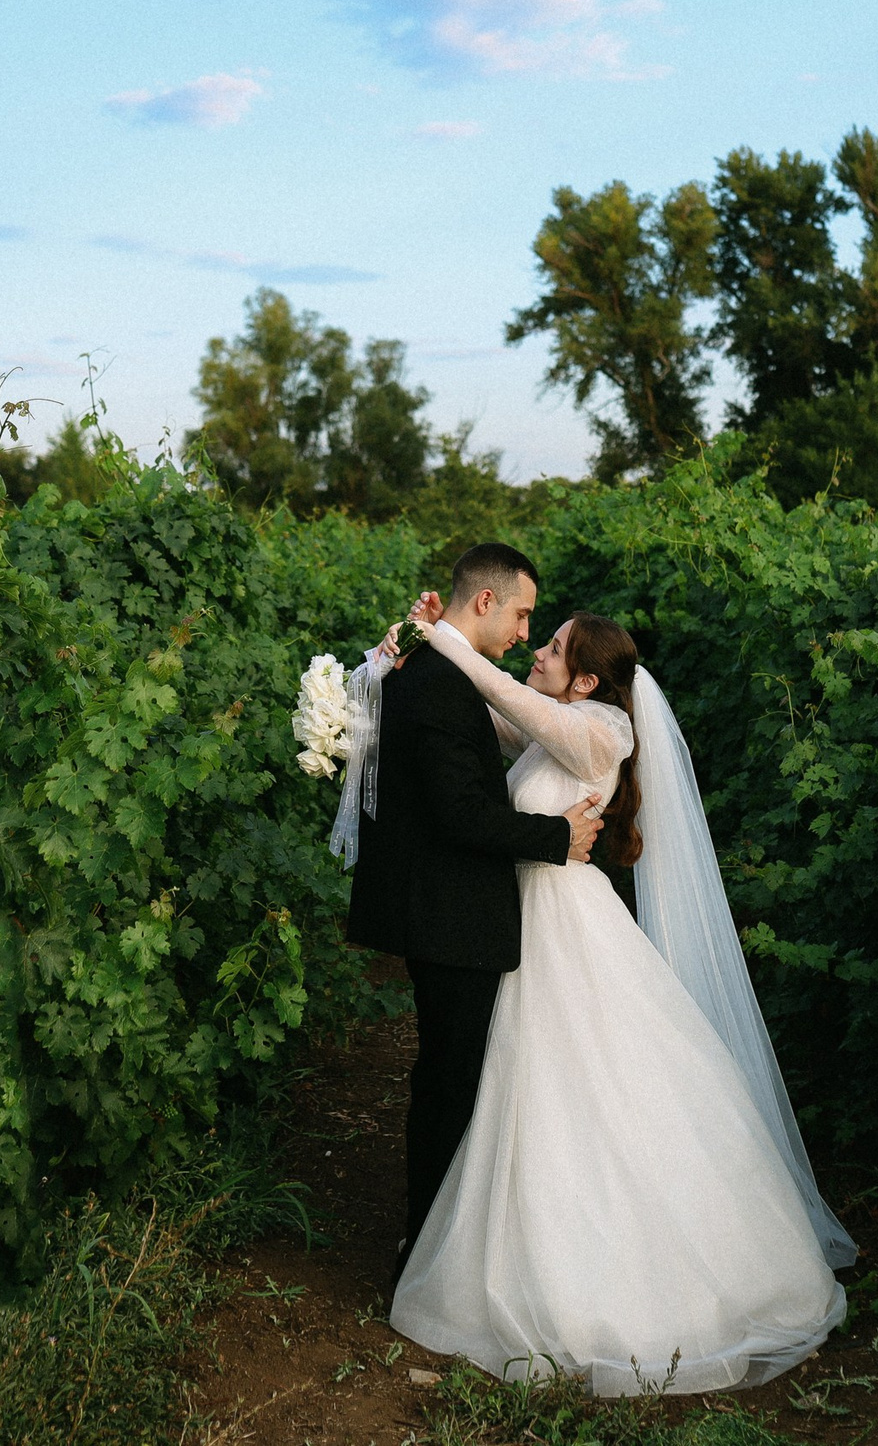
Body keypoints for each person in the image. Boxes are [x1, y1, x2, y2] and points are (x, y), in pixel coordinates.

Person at [349, 562, 852, 1394]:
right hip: (525, 919)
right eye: (534, 631)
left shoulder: (599, 733)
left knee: (590, 1083)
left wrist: (446, 640)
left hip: (565, 918)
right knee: (518, 1083)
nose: (535, 650)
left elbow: (502, 697)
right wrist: (413, 649)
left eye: (549, 644)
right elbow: (483, 715)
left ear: (586, 677)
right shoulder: (557, 721)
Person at [345, 543, 605, 1269]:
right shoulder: (436, 682)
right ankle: (428, 1250)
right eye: (523, 614)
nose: (528, 631)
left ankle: (441, 1239)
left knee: (455, 1078)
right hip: (452, 916)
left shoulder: (440, 673)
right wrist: (559, 834)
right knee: (451, 1084)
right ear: (484, 601)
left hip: (454, 912)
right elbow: (461, 813)